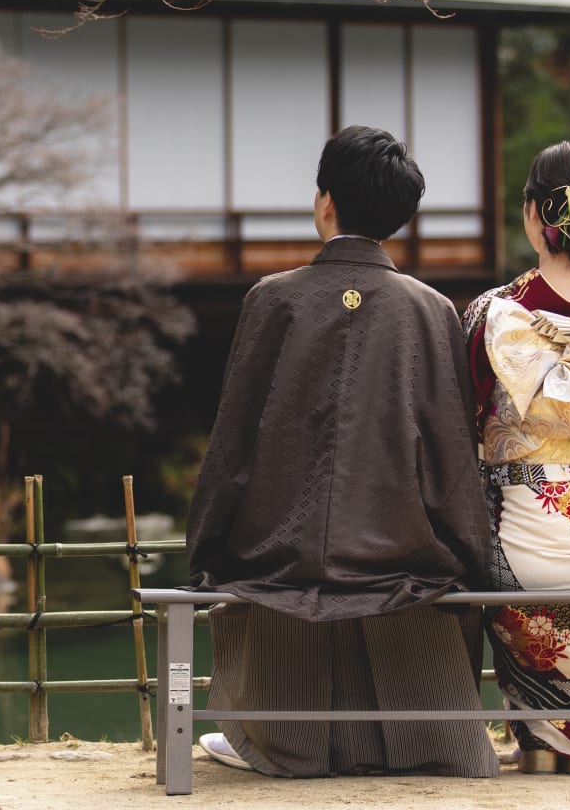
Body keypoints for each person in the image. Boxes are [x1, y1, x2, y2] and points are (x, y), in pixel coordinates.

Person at [187, 124, 499, 778]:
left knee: (271, 573)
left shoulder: (271, 300)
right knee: (411, 568)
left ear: (325, 202)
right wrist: (472, 558)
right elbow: (451, 454)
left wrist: (206, 549)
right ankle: (415, 744)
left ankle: (276, 742)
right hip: (401, 553)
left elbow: (233, 444)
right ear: (400, 216)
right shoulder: (431, 310)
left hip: (279, 554)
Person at [462, 140, 570, 776]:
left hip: (520, 535)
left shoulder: (491, 314)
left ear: (534, 215)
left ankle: (536, 750)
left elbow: (460, 425)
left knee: (522, 598)